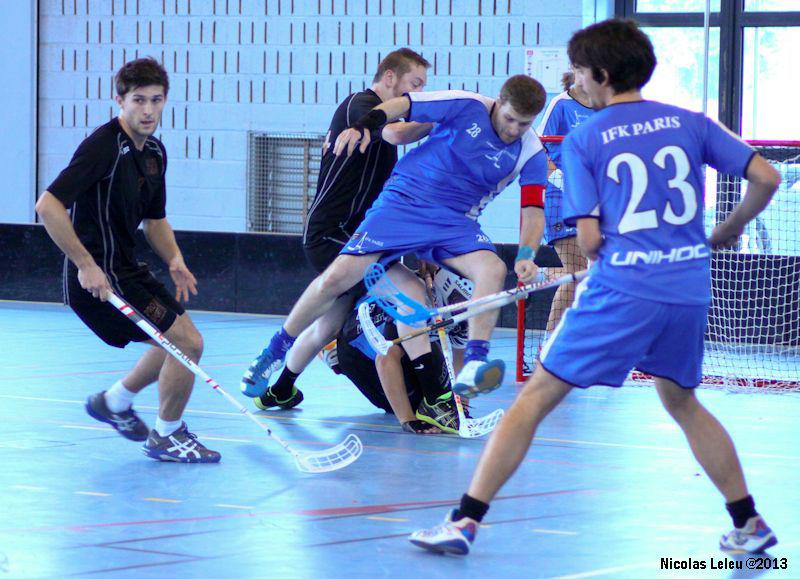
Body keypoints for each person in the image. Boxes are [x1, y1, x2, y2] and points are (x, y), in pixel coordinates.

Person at [409, 18, 780, 555]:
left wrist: (607, 253)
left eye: (580, 73)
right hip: (688, 287)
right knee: (683, 402)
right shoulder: (690, 122)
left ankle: (464, 520)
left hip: (625, 290)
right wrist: (729, 228)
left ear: (602, 75)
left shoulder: (587, 138)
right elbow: (766, 177)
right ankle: (748, 523)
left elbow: (589, 239)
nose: (575, 82)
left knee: (532, 399)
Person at [243, 75, 549, 427]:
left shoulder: (530, 150)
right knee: (337, 280)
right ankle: (275, 351)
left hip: (455, 221)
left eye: (523, 123)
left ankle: (475, 364)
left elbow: (532, 210)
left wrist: (526, 255)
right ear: (498, 102)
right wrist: (367, 124)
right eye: (509, 119)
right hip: (404, 203)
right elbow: (403, 104)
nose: (513, 129)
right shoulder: (467, 105)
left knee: (493, 269)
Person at [35, 58, 219, 463]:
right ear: (119, 100)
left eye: (156, 100)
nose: (148, 110)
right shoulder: (103, 147)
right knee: (186, 340)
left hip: (128, 269)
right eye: (138, 100)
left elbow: (154, 220)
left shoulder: (154, 151)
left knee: (176, 337)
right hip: (98, 280)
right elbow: (48, 206)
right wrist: (85, 264)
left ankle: (114, 402)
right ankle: (167, 436)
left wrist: (174, 258)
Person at [249, 48, 437, 414]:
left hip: (359, 235)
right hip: (332, 233)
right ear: (388, 78)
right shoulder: (360, 106)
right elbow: (398, 132)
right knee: (408, 291)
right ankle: (430, 395)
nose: (415, 95)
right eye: (413, 85)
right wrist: (442, 117)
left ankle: (280, 390)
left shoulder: (377, 125)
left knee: (329, 325)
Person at [333, 267, 473, 433]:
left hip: (394, 337)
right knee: (414, 404)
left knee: (436, 392)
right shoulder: (414, 304)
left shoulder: (466, 313)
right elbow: (385, 359)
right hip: (356, 351)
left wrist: (461, 407)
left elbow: (460, 358)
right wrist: (408, 420)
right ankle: (332, 352)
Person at [536, 70, 594, 334]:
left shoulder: (606, 107)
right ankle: (548, 349)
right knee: (576, 271)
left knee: (589, 274)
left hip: (592, 201)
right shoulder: (561, 105)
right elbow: (538, 149)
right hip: (560, 200)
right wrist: (561, 179)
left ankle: (545, 274)